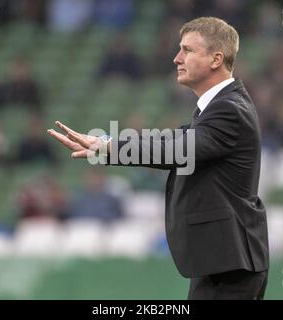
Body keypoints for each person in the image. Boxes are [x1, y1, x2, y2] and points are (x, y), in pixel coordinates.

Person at [47, 17, 269, 300]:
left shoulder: (229, 109)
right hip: (222, 261)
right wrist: (105, 148)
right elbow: (176, 144)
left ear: (216, 59)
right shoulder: (217, 107)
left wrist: (108, 146)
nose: (177, 58)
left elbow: (180, 149)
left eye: (187, 50)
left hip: (231, 265)